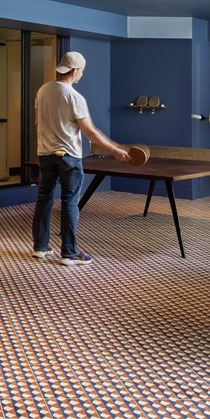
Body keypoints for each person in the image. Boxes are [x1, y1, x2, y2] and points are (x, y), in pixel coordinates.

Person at [32, 51, 130, 265]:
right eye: (82, 71)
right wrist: (114, 149)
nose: (82, 75)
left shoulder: (43, 90)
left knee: (44, 198)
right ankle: (69, 252)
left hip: (45, 153)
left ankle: (40, 247)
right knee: (69, 201)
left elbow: (38, 124)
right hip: (69, 157)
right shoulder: (74, 97)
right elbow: (90, 132)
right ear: (75, 71)